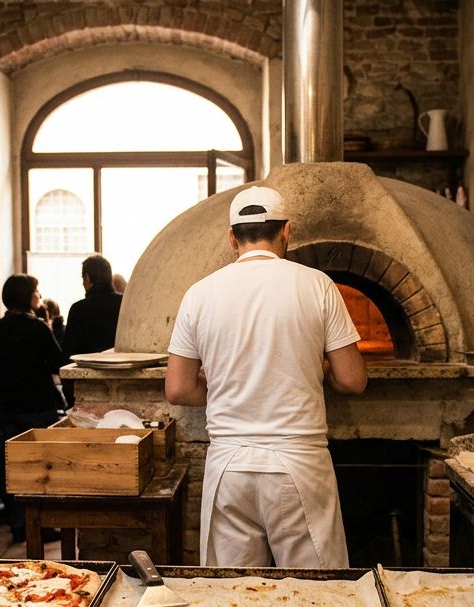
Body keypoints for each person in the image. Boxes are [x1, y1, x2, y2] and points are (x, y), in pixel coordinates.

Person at [166, 186, 367, 568]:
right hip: (298, 465)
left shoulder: (199, 294)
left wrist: (232, 385)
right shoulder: (317, 285)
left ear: (232, 237)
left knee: (235, 593)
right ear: (287, 231)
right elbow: (353, 380)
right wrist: (313, 373)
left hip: (228, 467)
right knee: (316, 600)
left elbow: (178, 389)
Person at [0, 274, 67, 542]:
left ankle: (18, 525)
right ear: (27, 296)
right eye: (36, 290)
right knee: (40, 468)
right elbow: (57, 363)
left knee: (13, 467)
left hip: (8, 405)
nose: (39, 294)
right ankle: (43, 525)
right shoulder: (36, 328)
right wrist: (48, 327)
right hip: (36, 404)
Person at [61, 255, 123, 406]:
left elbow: (69, 354)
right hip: (124, 383)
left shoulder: (79, 309)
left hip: (90, 387)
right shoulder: (124, 303)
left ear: (87, 278)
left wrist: (70, 394)